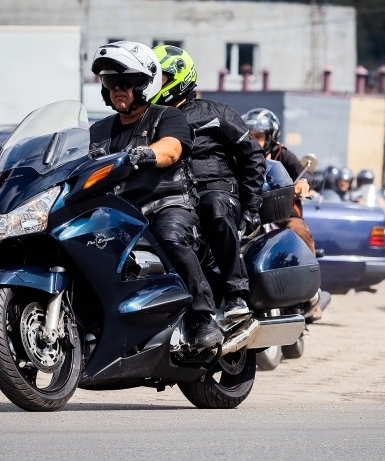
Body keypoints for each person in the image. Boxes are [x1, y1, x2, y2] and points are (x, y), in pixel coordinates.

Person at [88, 40, 223, 348]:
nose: (117, 89)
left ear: (145, 85)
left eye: (126, 82)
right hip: (118, 213)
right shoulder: (98, 130)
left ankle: (202, 318)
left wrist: (144, 153)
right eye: (110, 82)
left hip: (166, 204)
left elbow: (172, 148)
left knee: (170, 238)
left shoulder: (167, 117)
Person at [150, 45, 265, 318]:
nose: (154, 85)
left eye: (161, 78)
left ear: (179, 77)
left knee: (213, 206)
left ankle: (237, 294)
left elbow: (253, 155)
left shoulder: (215, 112)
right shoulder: (149, 118)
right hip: (172, 199)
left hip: (216, 192)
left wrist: (251, 207)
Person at [242, 108, 328, 319]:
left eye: (259, 136)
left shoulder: (282, 153)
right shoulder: (239, 155)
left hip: (282, 213)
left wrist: (303, 181)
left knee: (298, 231)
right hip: (249, 212)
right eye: (250, 135)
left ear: (271, 138)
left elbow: (304, 171)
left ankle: (310, 289)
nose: (254, 140)